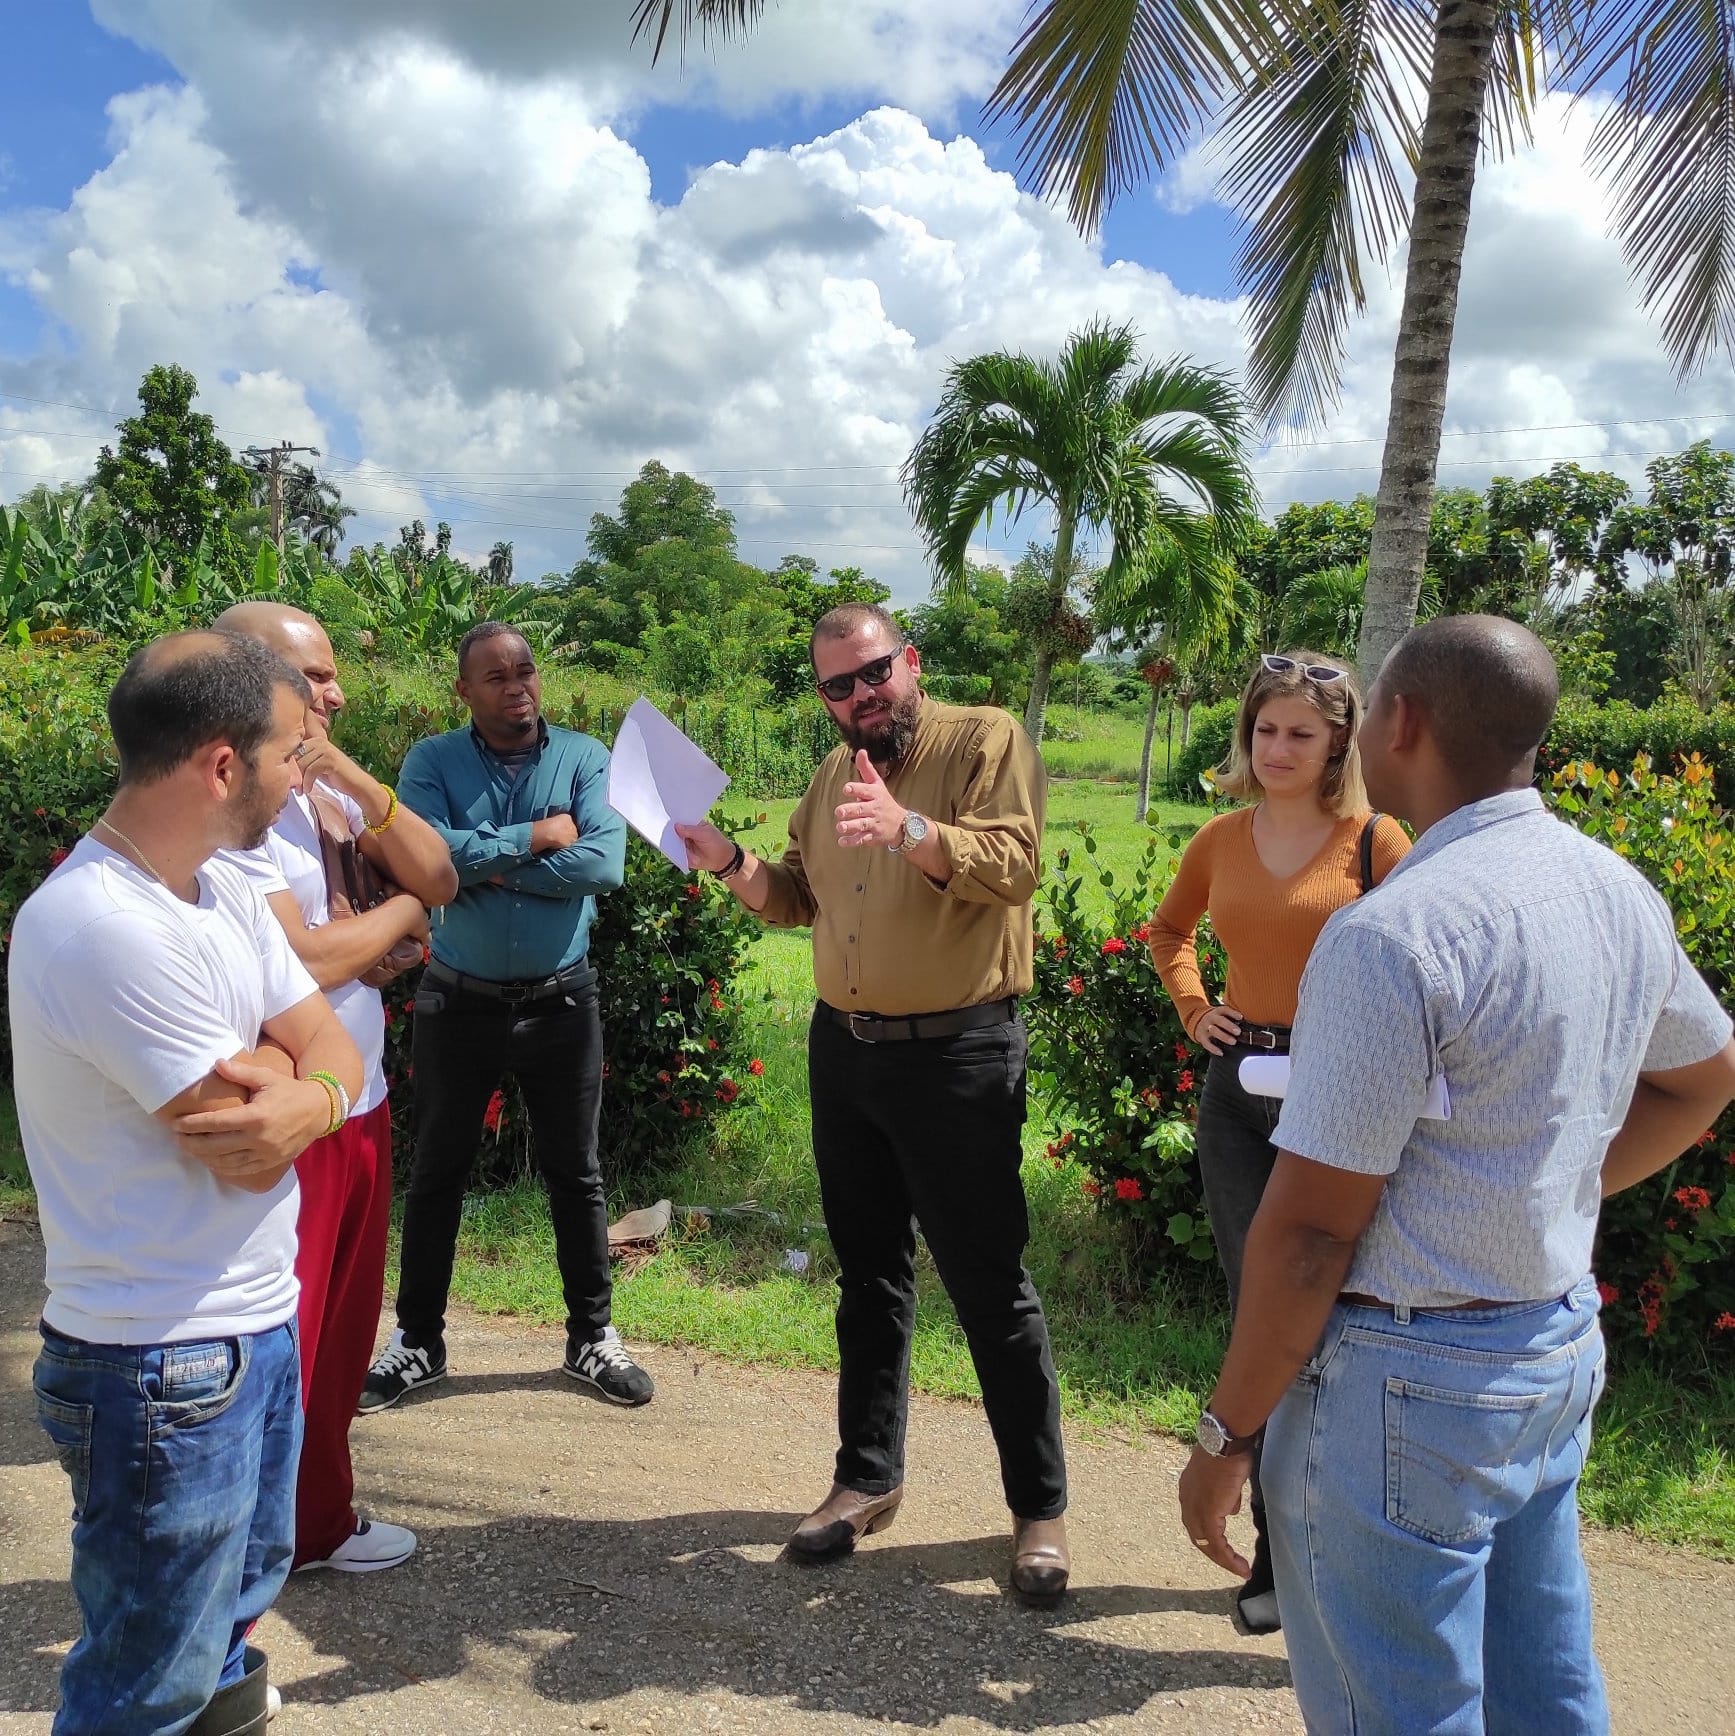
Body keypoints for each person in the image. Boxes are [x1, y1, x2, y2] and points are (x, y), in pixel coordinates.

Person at [1176, 616, 1735, 1734]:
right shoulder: (1610, 885)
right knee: (1545, 1686)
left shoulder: (1393, 934)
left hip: (1404, 1378)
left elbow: (1307, 1240)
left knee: (1402, 1707)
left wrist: (1225, 1435)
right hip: (1551, 1343)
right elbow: (1705, 1078)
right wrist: (1541, 1190)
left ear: (1403, 723)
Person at [675, 603, 1071, 1601]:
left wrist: (912, 830)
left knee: (988, 1284)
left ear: (910, 661)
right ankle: (865, 1478)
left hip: (958, 1052)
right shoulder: (827, 776)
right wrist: (726, 858)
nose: (859, 696)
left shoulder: (984, 737)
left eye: (873, 672)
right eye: (838, 685)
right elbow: (797, 894)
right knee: (867, 1276)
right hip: (845, 1052)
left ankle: (1038, 1506)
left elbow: (1015, 865)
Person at [10, 631, 365, 1734]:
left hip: (246, 1330)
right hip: (158, 1361)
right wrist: (295, 1084)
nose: (302, 776)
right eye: (290, 753)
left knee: (221, 1637)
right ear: (222, 764)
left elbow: (332, 1051)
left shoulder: (212, 895)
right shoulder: (102, 923)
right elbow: (239, 1132)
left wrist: (305, 1092)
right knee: (143, 1686)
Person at [1148, 649, 1408, 1632]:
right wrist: (1193, 1006)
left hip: (1338, 1096)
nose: (1278, 747)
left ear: (1340, 740)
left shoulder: (1379, 839)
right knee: (1258, 1317)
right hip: (1236, 1096)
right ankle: (1272, 1560)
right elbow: (1169, 931)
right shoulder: (1219, 837)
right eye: (1264, 729)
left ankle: (1344, 1553)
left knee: (1342, 1322)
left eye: (1301, 732)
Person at [215, 602, 458, 1575]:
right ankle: (246, 1550)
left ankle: (316, 1521)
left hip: (358, 1100)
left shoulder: (325, 794)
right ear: (251, 678)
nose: (337, 691)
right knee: (289, 1334)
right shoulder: (239, 799)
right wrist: (403, 909)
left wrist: (348, 772)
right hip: (296, 1108)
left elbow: (439, 864)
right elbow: (308, 955)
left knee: (346, 1331)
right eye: (314, 676)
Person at [360, 622, 651, 1411]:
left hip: (563, 1000)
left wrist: (475, 865)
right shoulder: (431, 762)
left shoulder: (585, 757)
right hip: (458, 1000)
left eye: (524, 669)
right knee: (437, 1173)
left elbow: (603, 862)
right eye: (494, 676)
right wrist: (530, 837)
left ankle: (591, 1335)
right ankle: (418, 1341)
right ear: (463, 691)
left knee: (577, 1173)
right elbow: (419, 858)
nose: (515, 684)